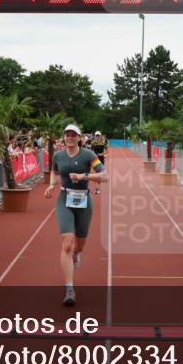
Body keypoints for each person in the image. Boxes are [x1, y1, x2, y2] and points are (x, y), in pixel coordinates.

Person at [44, 124, 107, 306]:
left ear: (79, 138)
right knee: (67, 243)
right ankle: (69, 288)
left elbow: (105, 175)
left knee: (79, 245)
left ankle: (76, 254)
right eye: (67, 135)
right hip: (64, 200)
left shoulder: (88, 155)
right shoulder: (58, 156)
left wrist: (84, 177)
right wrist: (51, 185)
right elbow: (55, 173)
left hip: (84, 202)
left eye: (73, 135)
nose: (70, 137)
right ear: (63, 137)